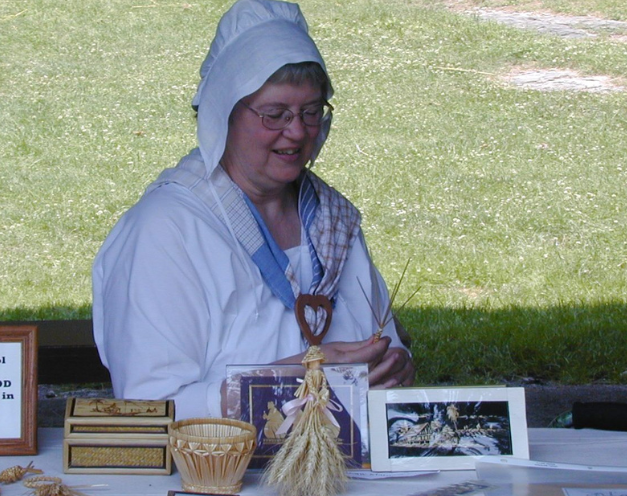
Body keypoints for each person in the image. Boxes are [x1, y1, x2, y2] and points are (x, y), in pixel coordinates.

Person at [92, 0, 415, 420]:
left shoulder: (333, 220)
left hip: (351, 476)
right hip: (221, 478)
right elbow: (150, 412)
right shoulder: (166, 230)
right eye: (275, 114)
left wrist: (395, 367)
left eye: (311, 111)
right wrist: (303, 379)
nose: (297, 131)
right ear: (224, 113)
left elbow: (383, 345)